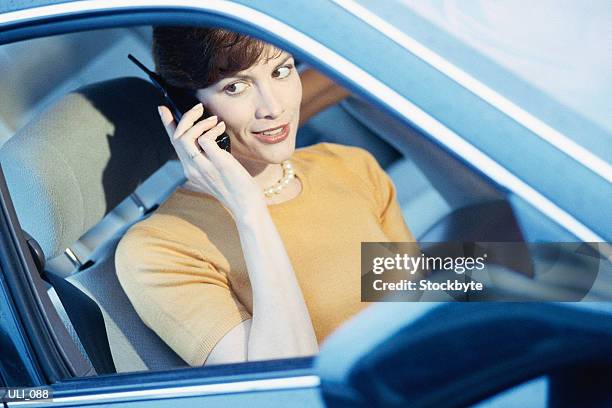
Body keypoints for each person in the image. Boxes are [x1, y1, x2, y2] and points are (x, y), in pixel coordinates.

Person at [115, 26, 415, 367]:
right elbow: (285, 389)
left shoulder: (348, 164)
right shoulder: (158, 250)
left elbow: (416, 303)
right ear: (186, 108)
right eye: (235, 87)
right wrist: (250, 210)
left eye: (281, 71)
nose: (273, 107)